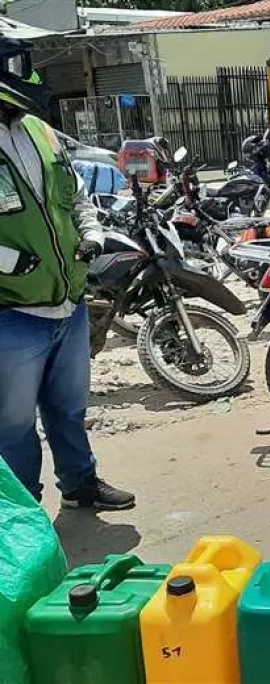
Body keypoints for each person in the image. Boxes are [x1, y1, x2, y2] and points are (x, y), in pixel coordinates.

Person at [0, 35, 134, 509]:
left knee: (69, 410)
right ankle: (24, 513)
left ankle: (80, 484)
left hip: (67, 301)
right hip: (13, 311)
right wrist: (14, 263)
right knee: (13, 425)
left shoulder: (39, 130)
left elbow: (75, 193)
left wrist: (91, 232)